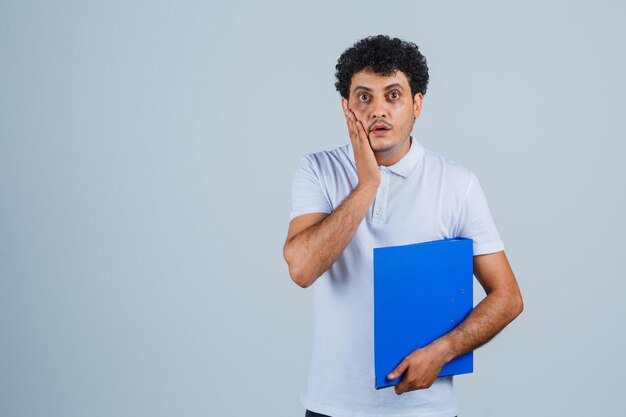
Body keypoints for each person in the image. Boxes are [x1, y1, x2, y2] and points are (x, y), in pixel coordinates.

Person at [283, 35, 523, 417]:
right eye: (364, 97)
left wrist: (444, 351)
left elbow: (508, 297)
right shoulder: (318, 170)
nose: (378, 110)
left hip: (425, 410)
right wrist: (367, 185)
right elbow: (302, 268)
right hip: (331, 406)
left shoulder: (457, 184)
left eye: (392, 95)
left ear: (417, 105)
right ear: (346, 108)